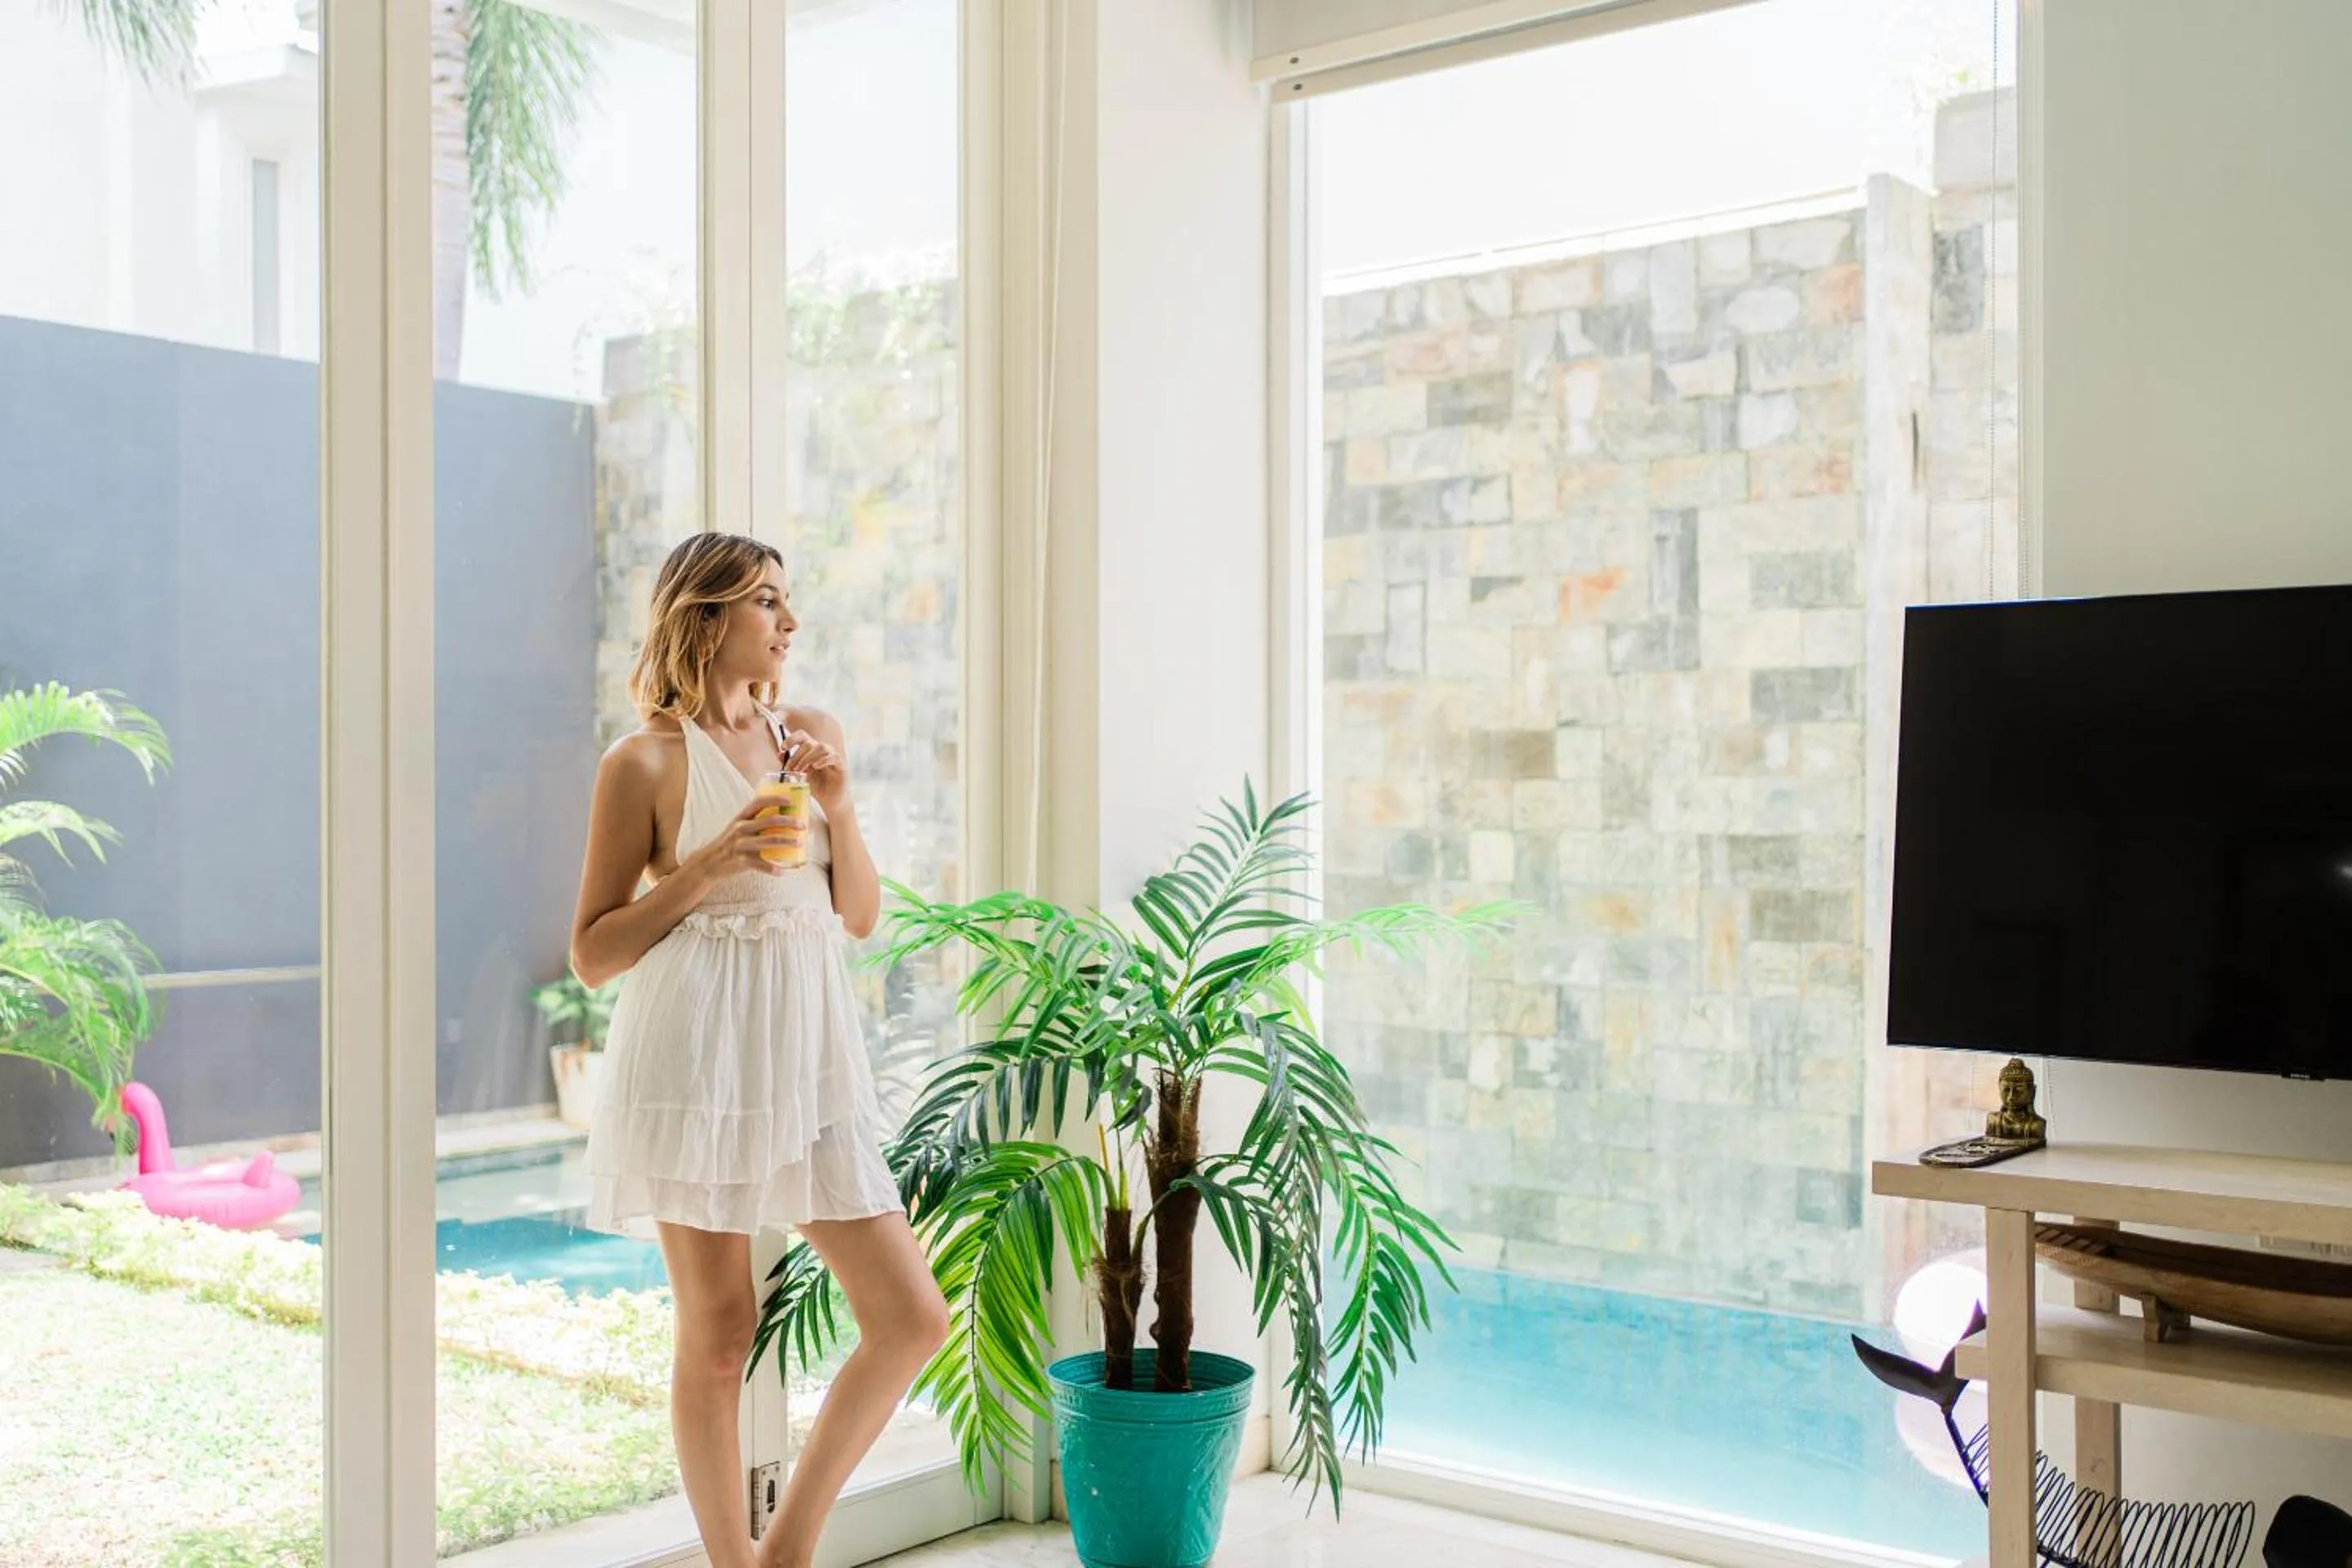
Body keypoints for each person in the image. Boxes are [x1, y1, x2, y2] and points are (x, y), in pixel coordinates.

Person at [567, 532, 948, 1568]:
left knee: (911, 1316)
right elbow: (595, 951)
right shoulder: (643, 762)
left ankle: (785, 1552)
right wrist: (703, 865)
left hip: (808, 1054)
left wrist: (840, 806)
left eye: (787, 603)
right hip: (695, 1058)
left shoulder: (809, 736)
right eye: (768, 602)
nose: (789, 623)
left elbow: (857, 915)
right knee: (722, 1329)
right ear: (707, 616)